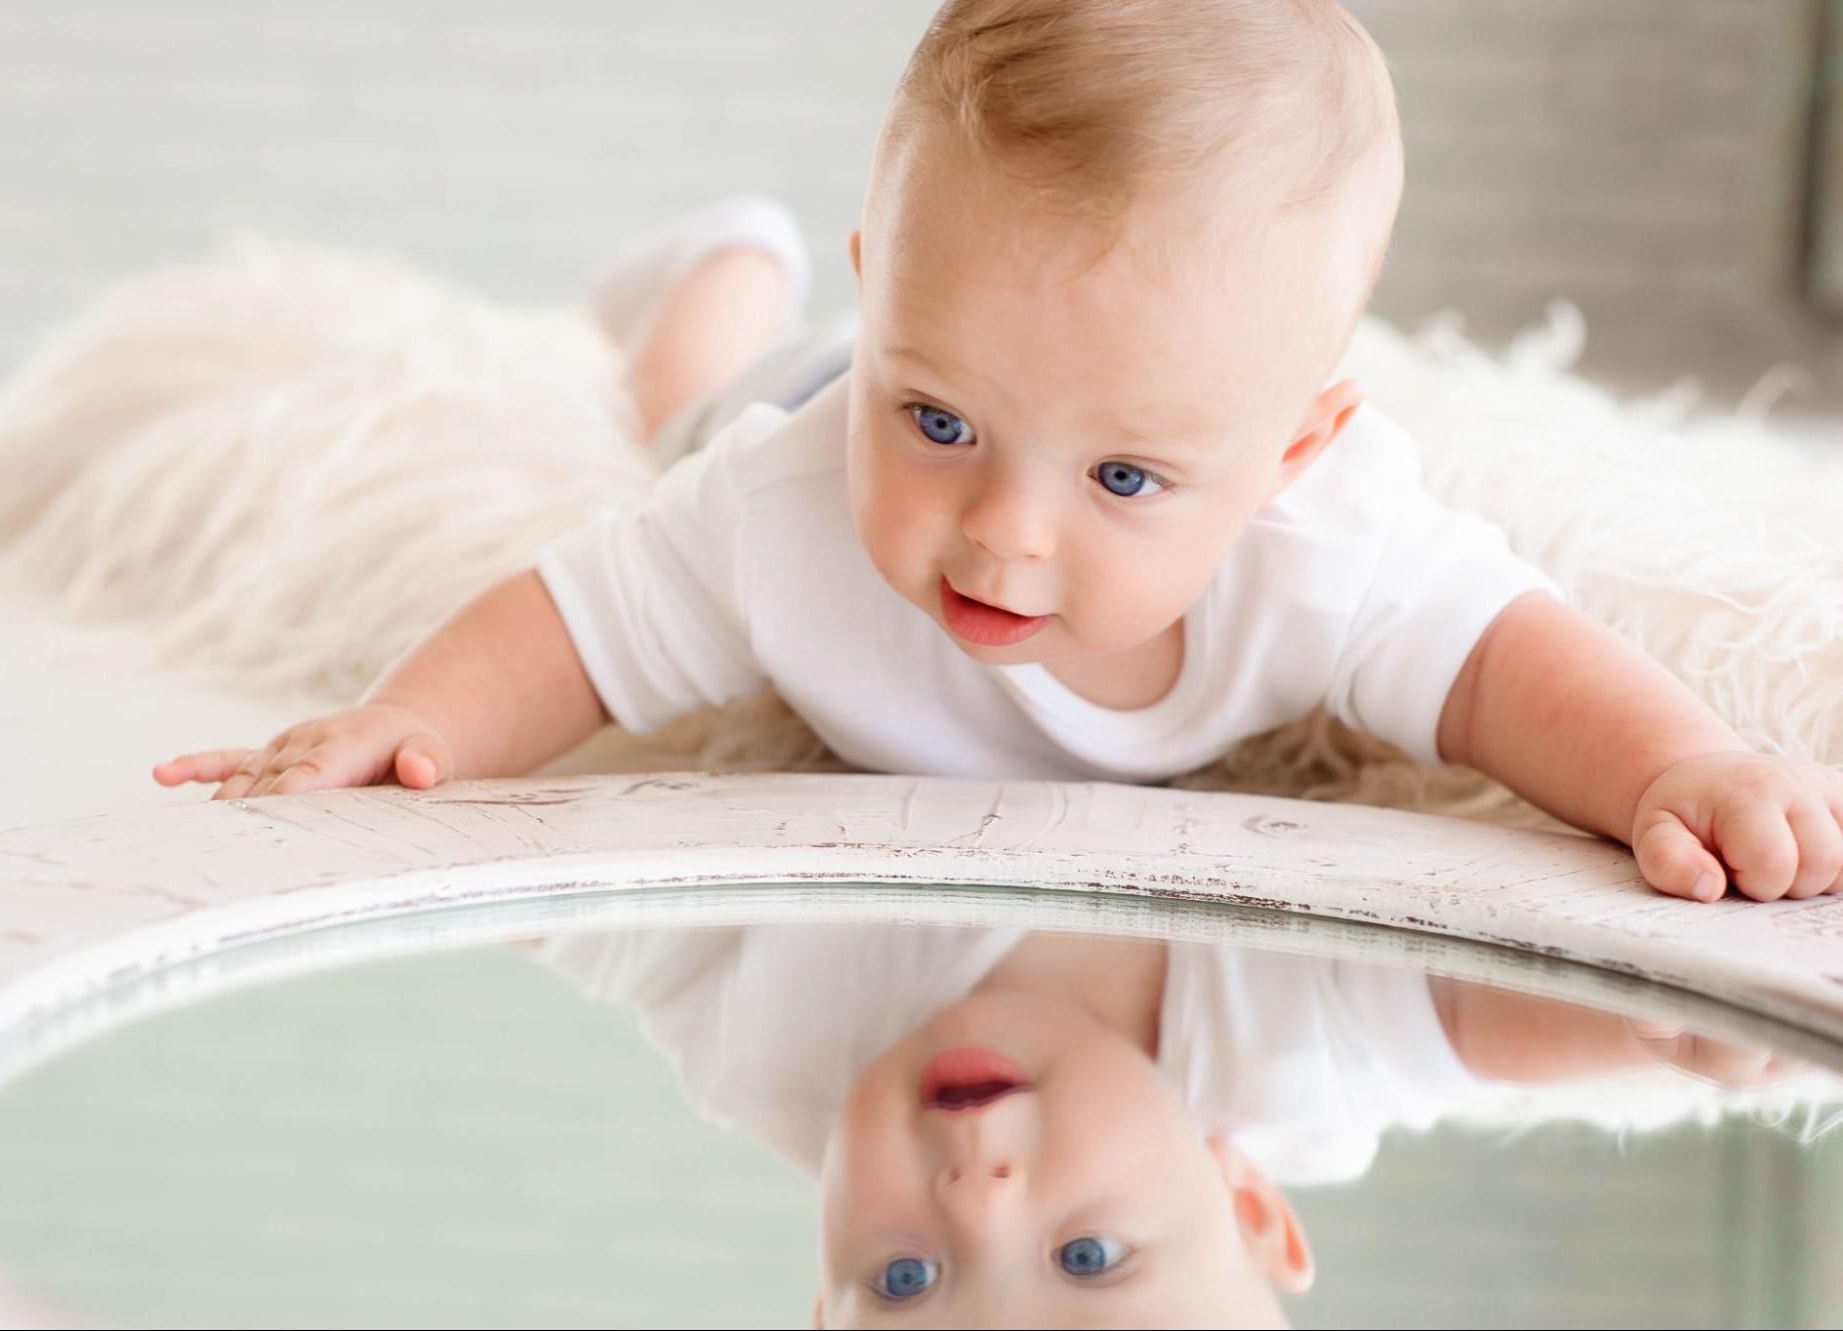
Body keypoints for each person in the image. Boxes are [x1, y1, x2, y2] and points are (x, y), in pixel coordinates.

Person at [153, 0, 1843, 906]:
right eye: (940, 424)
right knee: (666, 422)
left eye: (1123, 478)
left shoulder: (1322, 540)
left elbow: (1501, 665)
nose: (998, 540)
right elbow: (570, 618)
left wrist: (1674, 771)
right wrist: (412, 717)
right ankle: (703, 296)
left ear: (1291, 449)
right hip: (802, 386)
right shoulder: (792, 502)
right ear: (887, 301)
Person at [527, 921, 1800, 1327]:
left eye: (905, 1278)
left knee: (695, 426)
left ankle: (679, 350)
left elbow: (534, 878)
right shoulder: (1282, 1051)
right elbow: (1471, 1012)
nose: (977, 1195)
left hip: (811, 486)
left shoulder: (771, 1040)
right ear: (1242, 1198)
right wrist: (1676, 1025)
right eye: (1088, 1258)